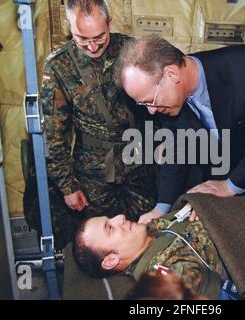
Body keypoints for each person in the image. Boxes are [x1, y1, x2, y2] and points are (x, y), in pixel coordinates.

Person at [114, 35, 245, 224]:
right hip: (225, 185)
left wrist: (230, 185)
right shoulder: (168, 99)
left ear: (171, 74)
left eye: (150, 101)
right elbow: (176, 149)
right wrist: (161, 207)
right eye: (143, 104)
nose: (151, 111)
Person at [37, 0, 156, 248]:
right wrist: (68, 186)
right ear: (70, 27)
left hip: (139, 165)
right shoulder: (59, 66)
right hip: (95, 174)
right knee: (103, 243)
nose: (92, 46)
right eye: (82, 39)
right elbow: (53, 134)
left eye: (99, 37)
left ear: (109, 23)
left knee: (146, 232)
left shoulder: (133, 50)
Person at [72, 211, 245, 300]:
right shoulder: (165, 274)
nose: (120, 217)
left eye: (111, 217)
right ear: (111, 260)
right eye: (110, 228)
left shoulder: (149, 228)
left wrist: (201, 208)